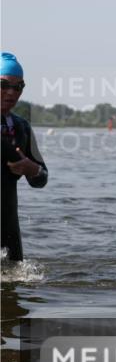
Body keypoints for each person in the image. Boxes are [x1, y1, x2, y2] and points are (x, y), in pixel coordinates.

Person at [1, 53, 48, 264]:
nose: (11, 92)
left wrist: (33, 170)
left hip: (8, 229)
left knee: (15, 280)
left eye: (18, 86)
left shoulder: (22, 128)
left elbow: (42, 177)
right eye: (3, 84)